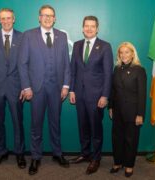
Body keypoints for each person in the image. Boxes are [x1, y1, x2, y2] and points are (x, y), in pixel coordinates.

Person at [18, 5, 70, 175]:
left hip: (57, 88)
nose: (48, 18)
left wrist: (66, 85)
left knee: (55, 122)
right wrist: (26, 87)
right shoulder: (28, 35)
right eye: (44, 15)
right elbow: (22, 63)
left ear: (55, 18)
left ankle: (57, 153)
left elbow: (66, 64)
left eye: (51, 15)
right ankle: (35, 156)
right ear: (39, 17)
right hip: (36, 89)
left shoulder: (61, 36)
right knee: (36, 124)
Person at [69, 16, 113, 174]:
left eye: (92, 26)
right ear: (82, 28)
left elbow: (109, 74)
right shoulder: (77, 45)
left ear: (97, 28)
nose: (89, 29)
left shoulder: (105, 47)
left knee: (96, 128)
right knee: (83, 126)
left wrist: (105, 96)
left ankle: (96, 158)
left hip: (96, 96)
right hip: (79, 94)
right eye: (86, 26)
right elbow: (72, 69)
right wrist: (72, 90)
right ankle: (85, 153)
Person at [108, 42, 147, 177]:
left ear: (132, 53)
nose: (124, 55)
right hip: (117, 110)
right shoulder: (117, 69)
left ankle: (129, 164)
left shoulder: (139, 70)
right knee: (117, 138)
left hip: (133, 112)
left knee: (131, 139)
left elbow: (142, 94)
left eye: (127, 52)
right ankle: (118, 162)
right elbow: (113, 90)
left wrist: (140, 114)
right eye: (121, 52)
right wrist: (111, 106)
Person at [0, 8, 26, 168]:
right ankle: (1, 151)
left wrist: (25, 86)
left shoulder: (23, 37)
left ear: (14, 19)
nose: (6, 21)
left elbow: (26, 64)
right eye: (3, 19)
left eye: (9, 18)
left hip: (16, 88)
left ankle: (19, 153)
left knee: (17, 122)